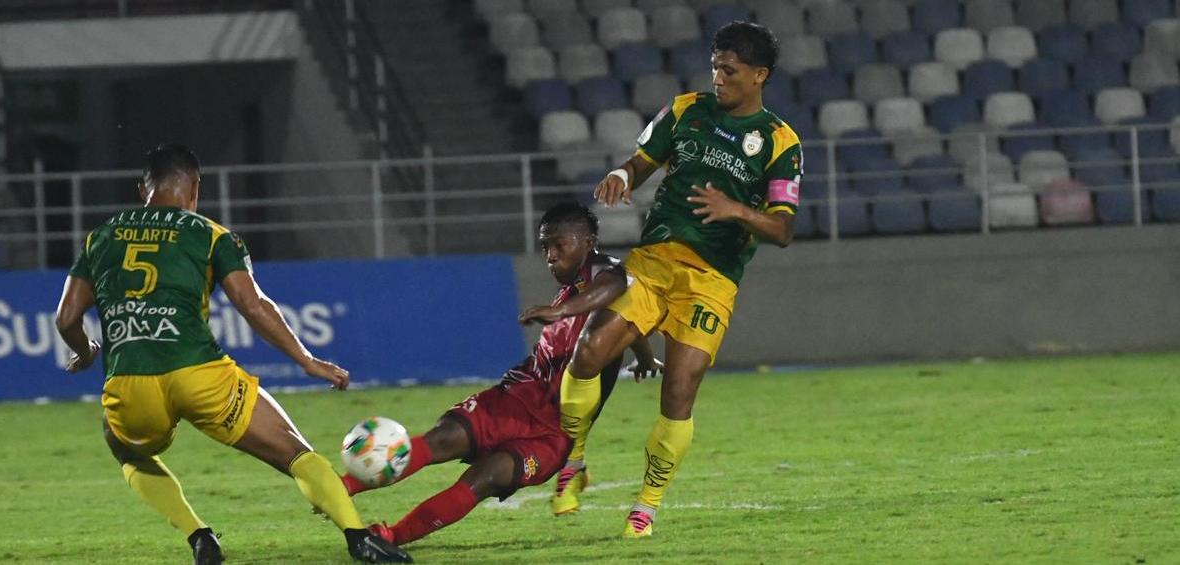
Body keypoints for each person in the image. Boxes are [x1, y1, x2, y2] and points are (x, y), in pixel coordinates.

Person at [54, 144, 412, 564]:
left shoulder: (102, 236)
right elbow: (253, 305)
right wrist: (306, 360)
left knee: (123, 445)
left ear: (142, 189)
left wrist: (88, 351)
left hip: (130, 381)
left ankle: (199, 537)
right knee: (293, 451)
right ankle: (359, 539)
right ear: (194, 189)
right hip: (200, 374)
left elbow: (66, 319)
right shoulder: (210, 234)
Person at [556, 21, 802, 538]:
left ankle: (647, 504)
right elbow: (643, 160)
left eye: (729, 70)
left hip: (713, 279)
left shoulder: (781, 143)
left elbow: (782, 228)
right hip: (653, 262)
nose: (718, 77)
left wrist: (734, 209)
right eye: (715, 66)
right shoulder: (686, 108)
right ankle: (573, 461)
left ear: (759, 76)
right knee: (588, 352)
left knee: (679, 388)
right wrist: (623, 175)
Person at [342, 202, 659, 546]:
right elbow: (633, 328)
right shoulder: (575, 292)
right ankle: (343, 487)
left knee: (486, 477)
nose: (550, 255)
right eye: (545, 247)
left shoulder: (606, 272)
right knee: (443, 438)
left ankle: (390, 537)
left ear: (587, 241)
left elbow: (616, 285)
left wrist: (560, 311)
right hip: (514, 400)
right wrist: (644, 358)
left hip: (552, 434)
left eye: (559, 244)